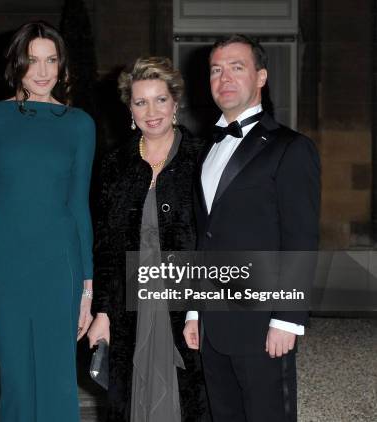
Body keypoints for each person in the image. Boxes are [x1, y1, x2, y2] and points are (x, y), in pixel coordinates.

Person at [183, 34, 320, 422]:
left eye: (236, 67)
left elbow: (301, 238)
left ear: (261, 76)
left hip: (263, 323)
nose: (224, 77)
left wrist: (288, 318)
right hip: (212, 321)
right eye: (216, 70)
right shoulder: (206, 149)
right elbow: (202, 236)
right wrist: (194, 311)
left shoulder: (291, 148)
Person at [0, 21, 95, 422]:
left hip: (61, 268)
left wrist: (88, 288)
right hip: (5, 266)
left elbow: (79, 206)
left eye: (51, 60)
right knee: (16, 378)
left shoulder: (79, 124)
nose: (42, 71)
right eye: (32, 60)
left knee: (57, 380)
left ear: (62, 66)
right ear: (16, 64)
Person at [87, 57, 207, 422]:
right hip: (129, 306)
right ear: (130, 109)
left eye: (160, 99)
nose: (150, 111)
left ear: (176, 103)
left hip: (183, 303)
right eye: (140, 102)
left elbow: (213, 240)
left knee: (187, 397)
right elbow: (105, 243)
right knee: (130, 397)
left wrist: (200, 308)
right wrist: (102, 313)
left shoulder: (202, 157)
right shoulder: (115, 163)